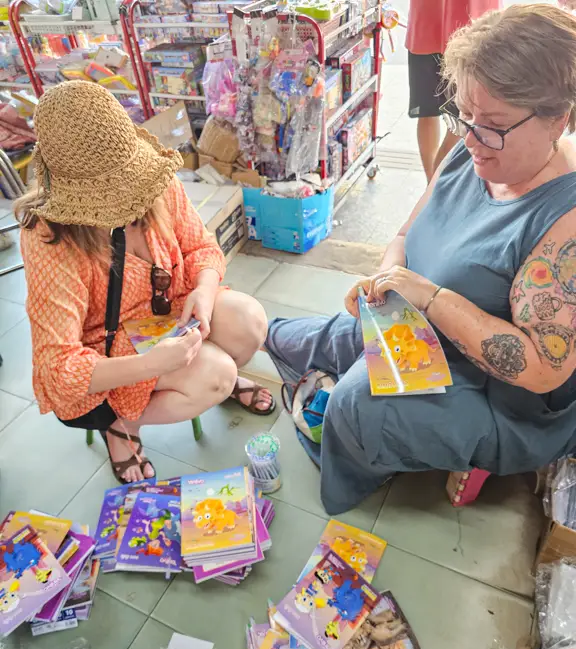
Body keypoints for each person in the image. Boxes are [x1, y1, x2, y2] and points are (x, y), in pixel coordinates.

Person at [266, 4, 576, 516]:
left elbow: (540, 369)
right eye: (464, 114)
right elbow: (409, 231)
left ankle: (372, 460)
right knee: (297, 338)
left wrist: (430, 296)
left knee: (354, 405)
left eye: (493, 125)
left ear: (557, 120)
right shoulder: (472, 145)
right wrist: (385, 279)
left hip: (498, 392)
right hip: (420, 325)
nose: (471, 138)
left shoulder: (563, 225)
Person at [16, 81, 274, 484]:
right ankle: (121, 426)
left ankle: (205, 381)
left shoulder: (153, 177)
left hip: (171, 306)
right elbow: (58, 367)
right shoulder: (49, 236)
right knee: (216, 375)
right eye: (111, 196)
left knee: (250, 320)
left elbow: (201, 248)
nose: (128, 203)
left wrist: (204, 293)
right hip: (110, 343)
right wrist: (153, 364)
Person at [406, 0, 500, 181]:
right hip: (471, 26)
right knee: (461, 118)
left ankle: (432, 185)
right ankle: (434, 186)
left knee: (439, 115)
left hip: (430, 24)